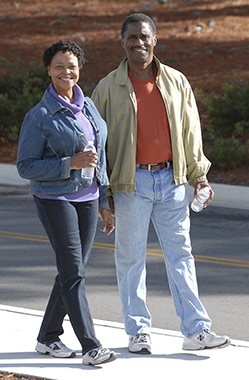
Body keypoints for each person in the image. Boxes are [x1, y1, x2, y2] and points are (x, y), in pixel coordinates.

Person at [91, 13, 231, 354]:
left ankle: (197, 331)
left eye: (144, 36)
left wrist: (200, 177)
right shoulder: (108, 87)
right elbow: (97, 144)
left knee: (181, 255)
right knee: (131, 259)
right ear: (121, 42)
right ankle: (138, 332)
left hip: (172, 180)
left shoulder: (176, 81)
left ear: (155, 40)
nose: (138, 43)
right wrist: (103, 197)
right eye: (131, 38)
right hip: (130, 183)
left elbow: (191, 131)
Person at [17, 40, 117, 366]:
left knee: (71, 271)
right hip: (53, 197)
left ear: (79, 69)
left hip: (87, 198)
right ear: (48, 70)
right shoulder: (40, 115)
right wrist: (68, 162)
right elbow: (25, 166)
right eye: (59, 65)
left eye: (71, 65)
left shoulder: (88, 106)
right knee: (73, 272)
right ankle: (91, 346)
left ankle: (47, 336)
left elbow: (98, 156)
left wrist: (104, 200)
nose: (66, 71)